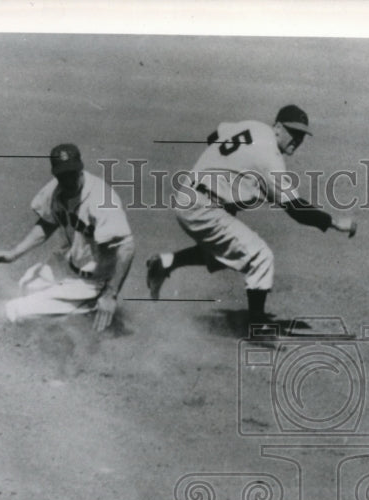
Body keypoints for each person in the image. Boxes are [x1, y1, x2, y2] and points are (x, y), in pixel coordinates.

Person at [145, 105, 356, 332]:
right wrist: (334, 222)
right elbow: (297, 210)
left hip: (188, 194)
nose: (296, 140)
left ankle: (165, 263)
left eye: (301, 135)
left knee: (223, 254)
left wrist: (227, 172)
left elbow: (215, 135)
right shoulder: (270, 158)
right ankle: (258, 327)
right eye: (292, 132)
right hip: (202, 207)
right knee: (261, 256)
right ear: (277, 127)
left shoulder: (253, 126)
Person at [0, 143, 135, 333]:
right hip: (64, 266)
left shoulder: (102, 201)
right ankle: (77, 325)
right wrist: (14, 254)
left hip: (91, 283)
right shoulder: (57, 188)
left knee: (15, 311)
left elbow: (127, 246)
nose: (68, 179)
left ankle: (98, 327)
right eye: (62, 175)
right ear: (55, 173)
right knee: (26, 286)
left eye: (72, 173)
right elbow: (48, 221)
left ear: (80, 167)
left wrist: (110, 294)